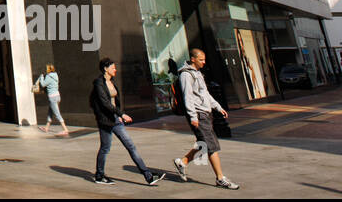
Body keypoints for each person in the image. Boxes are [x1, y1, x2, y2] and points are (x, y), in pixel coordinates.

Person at [89, 58, 164, 186]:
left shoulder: (111, 82)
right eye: (113, 68)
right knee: (105, 148)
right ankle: (99, 175)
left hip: (116, 119)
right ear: (105, 69)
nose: (115, 70)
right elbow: (105, 103)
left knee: (130, 146)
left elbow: (114, 102)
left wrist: (118, 114)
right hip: (106, 121)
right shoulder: (98, 83)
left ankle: (148, 176)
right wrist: (121, 114)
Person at [173, 48, 239, 189]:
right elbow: (187, 97)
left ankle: (182, 162)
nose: (204, 62)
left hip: (206, 113)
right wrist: (193, 116)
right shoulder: (186, 75)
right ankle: (220, 178)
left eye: (204, 59)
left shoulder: (198, 73)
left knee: (203, 143)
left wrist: (217, 106)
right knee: (211, 147)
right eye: (201, 59)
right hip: (198, 114)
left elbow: (205, 93)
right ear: (193, 59)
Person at [34, 64, 68, 135]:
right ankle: (46, 127)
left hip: (52, 97)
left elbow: (43, 84)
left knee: (57, 114)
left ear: (48, 70)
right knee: (50, 112)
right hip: (57, 96)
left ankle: (65, 129)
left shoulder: (49, 77)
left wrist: (41, 77)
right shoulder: (56, 75)